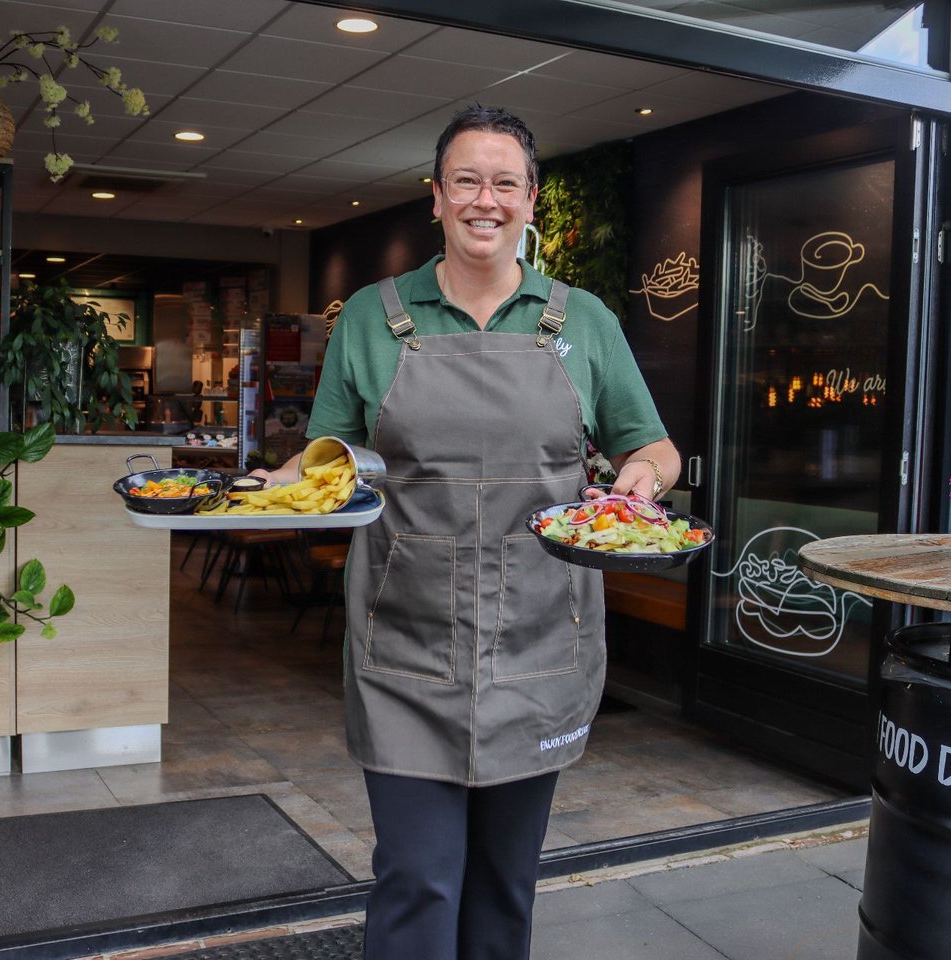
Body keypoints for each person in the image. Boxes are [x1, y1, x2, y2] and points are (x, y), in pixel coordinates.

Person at [253, 104, 680, 960]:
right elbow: (327, 455)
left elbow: (652, 446)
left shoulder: (582, 321)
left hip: (539, 640)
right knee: (417, 877)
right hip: (406, 645)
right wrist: (270, 489)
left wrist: (643, 479)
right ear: (437, 196)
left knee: (502, 880)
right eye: (467, 181)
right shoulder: (372, 318)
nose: (487, 200)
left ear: (530, 200)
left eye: (505, 183)